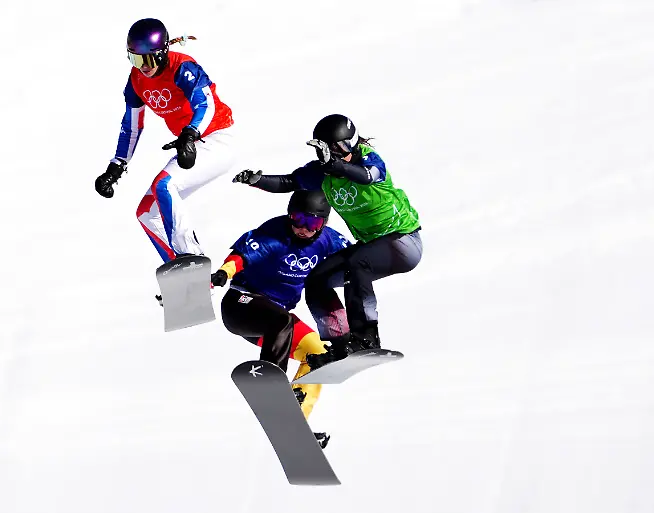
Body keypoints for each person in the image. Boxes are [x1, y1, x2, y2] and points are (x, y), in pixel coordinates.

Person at [232, 114, 423, 370]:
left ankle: (366, 339)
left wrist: (334, 164)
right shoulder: (324, 172)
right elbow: (289, 182)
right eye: (331, 149)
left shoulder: (367, 159)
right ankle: (341, 345)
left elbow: (367, 176)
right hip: (372, 245)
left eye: (342, 147)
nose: (338, 153)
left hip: (403, 240)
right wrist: (258, 180)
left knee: (358, 263)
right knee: (316, 280)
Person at [210, 190, 351, 448]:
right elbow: (242, 256)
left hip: (277, 325)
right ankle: (271, 387)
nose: (304, 229)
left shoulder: (329, 241)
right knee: (282, 320)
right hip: (241, 305)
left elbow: (356, 257)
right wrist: (224, 272)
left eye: (313, 224)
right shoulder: (276, 234)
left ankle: (294, 427)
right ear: (289, 216)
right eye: (298, 220)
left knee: (319, 356)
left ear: (324, 224)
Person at [95, 18, 235, 263]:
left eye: (146, 60)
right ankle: (181, 275)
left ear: (161, 54)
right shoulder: (137, 80)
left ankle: (192, 258)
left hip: (218, 137)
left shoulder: (182, 67)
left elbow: (206, 104)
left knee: (164, 185)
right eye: (134, 59)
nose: (142, 67)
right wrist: (117, 164)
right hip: (190, 143)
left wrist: (190, 133)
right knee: (147, 213)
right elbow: (132, 125)